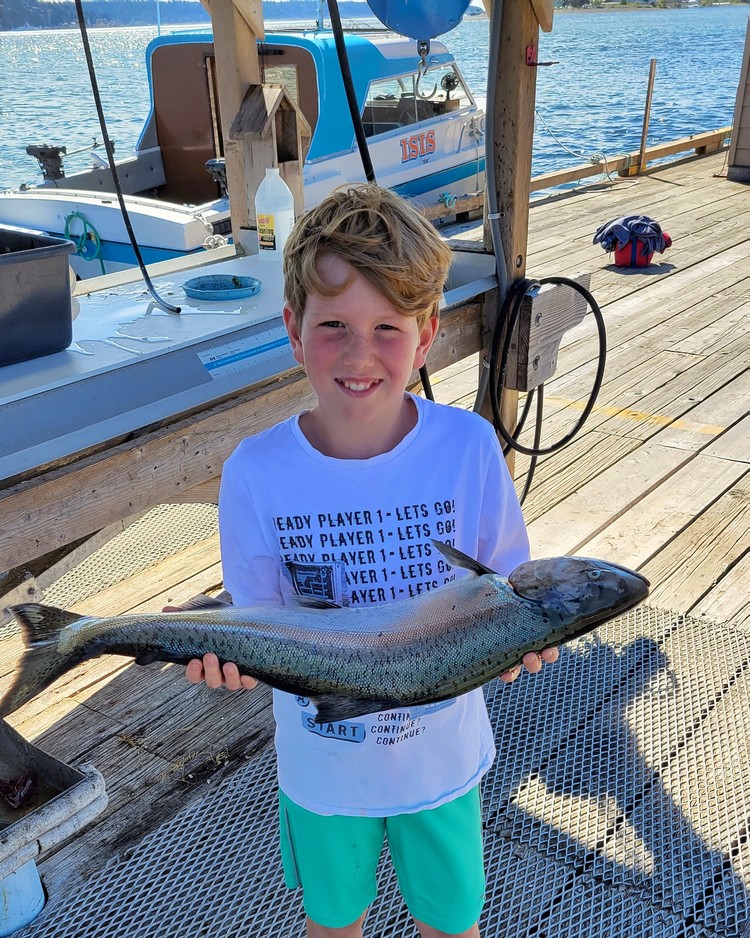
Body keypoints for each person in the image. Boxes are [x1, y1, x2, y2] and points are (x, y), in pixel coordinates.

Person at [179, 184, 558, 938]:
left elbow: (510, 591)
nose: (360, 354)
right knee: (332, 922)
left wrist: (523, 643)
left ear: (426, 336)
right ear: (293, 328)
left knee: (452, 924)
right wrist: (223, 653)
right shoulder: (255, 472)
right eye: (334, 326)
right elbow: (258, 620)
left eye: (388, 326)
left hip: (441, 764)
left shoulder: (469, 448)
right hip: (323, 768)